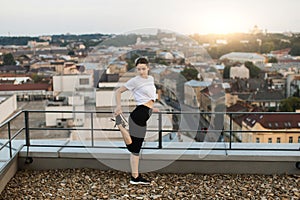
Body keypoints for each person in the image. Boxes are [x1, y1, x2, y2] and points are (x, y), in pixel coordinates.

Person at [114, 56, 158, 185]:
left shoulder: (151, 79)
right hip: (138, 115)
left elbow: (149, 97)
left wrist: (152, 108)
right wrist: (119, 106)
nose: (141, 71)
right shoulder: (134, 81)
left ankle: (135, 177)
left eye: (143, 69)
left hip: (144, 113)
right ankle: (135, 177)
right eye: (138, 69)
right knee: (135, 148)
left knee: (135, 148)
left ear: (148, 68)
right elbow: (118, 91)